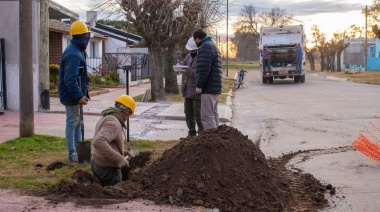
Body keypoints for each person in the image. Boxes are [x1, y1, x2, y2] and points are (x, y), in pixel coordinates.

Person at [58, 20, 91, 162]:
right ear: (80, 37)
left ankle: (78, 149)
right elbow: (70, 80)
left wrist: (84, 94)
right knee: (72, 123)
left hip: (77, 95)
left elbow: (81, 76)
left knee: (78, 122)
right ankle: (72, 153)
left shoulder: (79, 51)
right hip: (71, 96)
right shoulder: (73, 54)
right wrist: (78, 96)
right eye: (85, 36)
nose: (87, 39)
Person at [91, 95, 135, 187]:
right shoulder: (113, 123)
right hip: (107, 168)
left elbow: (109, 143)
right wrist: (119, 159)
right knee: (115, 198)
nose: (128, 117)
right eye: (129, 114)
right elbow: (98, 141)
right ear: (125, 110)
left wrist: (122, 153)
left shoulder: (108, 117)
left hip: (98, 162)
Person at [193, 29, 222, 130]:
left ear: (197, 38)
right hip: (215, 86)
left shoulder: (204, 46)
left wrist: (199, 85)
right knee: (213, 114)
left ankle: (213, 140)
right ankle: (218, 136)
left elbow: (204, 69)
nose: (195, 43)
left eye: (194, 40)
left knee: (207, 116)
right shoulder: (212, 45)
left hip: (208, 87)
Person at [177, 37, 204, 136]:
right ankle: (191, 133)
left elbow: (199, 74)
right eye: (190, 50)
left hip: (196, 92)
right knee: (188, 114)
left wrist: (188, 70)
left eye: (192, 50)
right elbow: (184, 64)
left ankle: (202, 134)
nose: (190, 51)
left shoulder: (201, 57)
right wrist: (179, 65)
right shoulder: (189, 56)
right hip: (187, 90)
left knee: (198, 115)